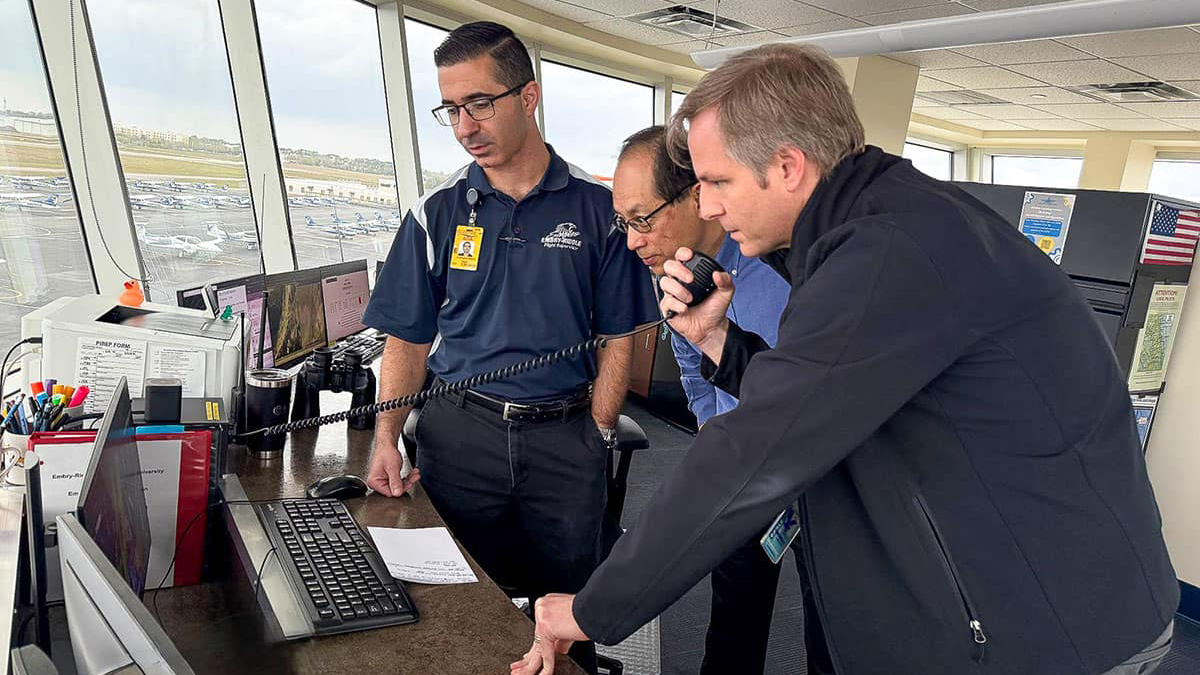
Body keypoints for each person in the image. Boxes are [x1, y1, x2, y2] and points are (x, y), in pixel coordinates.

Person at [512, 44, 1178, 675]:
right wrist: (721, 343)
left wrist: (591, 607)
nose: (706, 203)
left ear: (789, 166)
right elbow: (824, 391)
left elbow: (756, 447)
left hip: (1054, 627)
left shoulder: (891, 250)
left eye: (717, 180)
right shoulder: (872, 223)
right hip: (1007, 588)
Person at [362, 21, 657, 674]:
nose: (465, 124)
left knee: (571, 609)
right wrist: (386, 436)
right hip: (459, 434)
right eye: (451, 108)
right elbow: (406, 337)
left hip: (565, 436)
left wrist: (600, 432)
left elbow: (619, 339)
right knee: (450, 599)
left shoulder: (597, 209)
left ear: (528, 98)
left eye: (480, 103)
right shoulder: (435, 212)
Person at [612, 126, 833, 675]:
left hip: (813, 481)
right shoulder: (674, 269)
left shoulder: (783, 273)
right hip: (739, 472)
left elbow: (811, 400)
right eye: (624, 224)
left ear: (697, 196)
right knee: (733, 616)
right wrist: (715, 432)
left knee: (827, 628)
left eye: (643, 219)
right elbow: (692, 363)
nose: (633, 240)